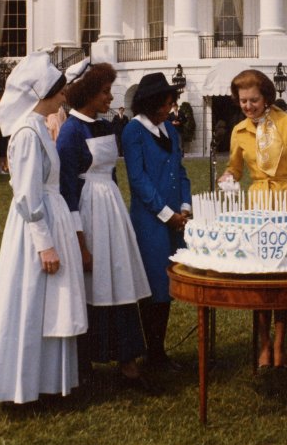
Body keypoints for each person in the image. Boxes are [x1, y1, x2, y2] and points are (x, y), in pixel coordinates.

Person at [0, 52, 87, 405]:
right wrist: (44, 244)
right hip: (35, 226)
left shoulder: (38, 127)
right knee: (31, 302)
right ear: (41, 95)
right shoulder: (28, 133)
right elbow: (27, 194)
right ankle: (24, 384)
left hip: (49, 216)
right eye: (58, 93)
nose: (62, 98)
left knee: (50, 303)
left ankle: (47, 381)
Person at [56, 61, 152, 390]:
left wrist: (117, 217)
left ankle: (127, 359)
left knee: (120, 279)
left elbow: (111, 173)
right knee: (91, 287)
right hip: (87, 213)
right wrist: (79, 242)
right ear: (86, 94)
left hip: (110, 210)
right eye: (104, 92)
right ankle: (85, 363)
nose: (110, 98)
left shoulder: (105, 126)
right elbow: (67, 190)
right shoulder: (70, 132)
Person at [219, 69, 287, 369]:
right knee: (260, 276)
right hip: (258, 204)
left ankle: (280, 341)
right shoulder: (239, 131)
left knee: (284, 276)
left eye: (253, 100)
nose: (248, 106)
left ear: (266, 97)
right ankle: (264, 343)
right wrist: (229, 176)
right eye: (243, 101)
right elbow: (235, 168)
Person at [122, 73, 192, 372]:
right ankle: (151, 350)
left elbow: (181, 170)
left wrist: (186, 207)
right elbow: (137, 180)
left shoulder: (171, 132)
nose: (168, 108)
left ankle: (158, 351)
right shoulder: (133, 131)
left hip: (176, 218)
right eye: (164, 103)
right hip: (151, 220)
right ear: (149, 102)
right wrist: (167, 214)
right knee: (153, 286)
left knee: (168, 285)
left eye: (170, 103)